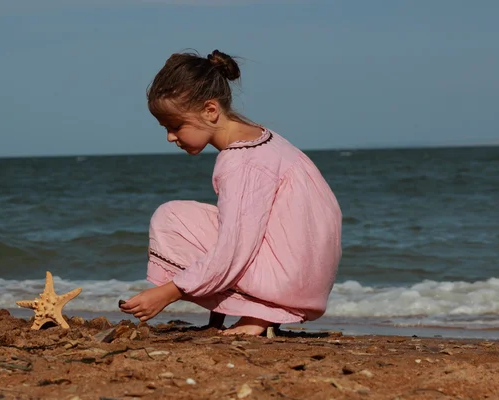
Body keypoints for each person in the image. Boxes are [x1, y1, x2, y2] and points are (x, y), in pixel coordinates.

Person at [119, 49, 342, 336]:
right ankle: (249, 311)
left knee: (169, 220)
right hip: (306, 274)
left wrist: (169, 292)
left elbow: (233, 250)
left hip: (288, 284)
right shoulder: (264, 138)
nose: (170, 137)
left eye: (176, 126)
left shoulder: (240, 161)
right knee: (182, 215)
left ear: (210, 111)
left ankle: (258, 315)